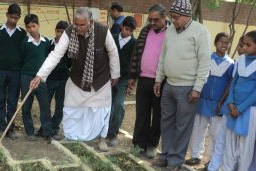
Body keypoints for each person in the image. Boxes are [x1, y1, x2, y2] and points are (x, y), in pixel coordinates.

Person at [30, 7, 120, 152]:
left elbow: (113, 52)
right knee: (70, 108)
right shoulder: (69, 32)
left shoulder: (102, 31)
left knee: (103, 110)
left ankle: (102, 138)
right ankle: (70, 134)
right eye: (75, 24)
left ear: (90, 22)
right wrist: (40, 75)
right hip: (77, 78)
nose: (78, 27)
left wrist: (115, 74)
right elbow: (56, 54)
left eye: (82, 25)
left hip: (100, 79)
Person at [152, 0, 211, 171]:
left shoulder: (200, 31)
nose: (173, 20)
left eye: (176, 17)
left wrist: (197, 88)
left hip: (188, 87)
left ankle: (176, 160)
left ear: (187, 16)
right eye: (172, 17)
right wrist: (158, 79)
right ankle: (165, 155)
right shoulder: (170, 30)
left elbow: (205, 63)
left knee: (182, 125)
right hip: (169, 84)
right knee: (167, 122)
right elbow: (163, 57)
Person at [186, 32, 234, 166]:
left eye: (227, 42)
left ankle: (213, 160)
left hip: (217, 103)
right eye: (221, 42)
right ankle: (195, 155)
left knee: (216, 133)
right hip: (202, 100)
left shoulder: (230, 64)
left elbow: (229, 84)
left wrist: (221, 102)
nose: (224, 45)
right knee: (198, 129)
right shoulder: (207, 59)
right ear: (215, 43)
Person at [128, 4, 169, 159]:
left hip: (162, 81)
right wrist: (132, 76)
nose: (152, 22)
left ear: (164, 18)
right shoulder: (145, 31)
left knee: (157, 115)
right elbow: (135, 54)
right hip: (144, 78)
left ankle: (152, 144)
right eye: (150, 19)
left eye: (156, 20)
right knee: (142, 113)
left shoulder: (171, 33)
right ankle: (139, 144)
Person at [218, 30, 256, 171]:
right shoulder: (240, 60)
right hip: (233, 107)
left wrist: (240, 108)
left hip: (249, 110)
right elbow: (234, 83)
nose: (245, 47)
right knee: (230, 140)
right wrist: (231, 102)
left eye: (249, 45)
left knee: (245, 144)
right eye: (244, 44)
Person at [205, 35, 245, 171]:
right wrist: (227, 102)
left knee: (239, 143)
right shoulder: (239, 62)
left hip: (243, 109)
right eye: (240, 45)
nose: (241, 48)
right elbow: (233, 84)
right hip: (229, 106)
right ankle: (214, 167)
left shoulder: (233, 62)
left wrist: (238, 106)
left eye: (245, 45)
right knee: (222, 138)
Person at [0, 3, 26, 139]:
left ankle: (10, 128)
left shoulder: (22, 33)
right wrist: (1, 63)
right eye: (11, 17)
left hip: (16, 72)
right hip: (1, 70)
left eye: (16, 18)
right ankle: (2, 127)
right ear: (7, 15)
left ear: (19, 18)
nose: (12, 20)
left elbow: (23, 53)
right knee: (0, 99)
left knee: (12, 100)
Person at [20, 14, 53, 142]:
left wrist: (41, 75)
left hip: (41, 78)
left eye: (34, 26)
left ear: (38, 25)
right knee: (26, 105)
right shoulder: (24, 43)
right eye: (28, 27)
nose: (31, 29)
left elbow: (47, 59)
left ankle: (47, 132)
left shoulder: (46, 42)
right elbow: (22, 59)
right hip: (26, 77)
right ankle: (29, 132)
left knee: (45, 106)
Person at [107, 16, 136, 147]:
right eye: (126, 29)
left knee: (118, 105)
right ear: (121, 26)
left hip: (124, 79)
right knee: (107, 105)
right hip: (109, 77)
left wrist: (132, 79)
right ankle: (104, 131)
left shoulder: (134, 44)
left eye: (130, 31)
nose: (127, 32)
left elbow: (135, 63)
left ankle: (113, 133)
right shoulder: (112, 39)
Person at [45, 20, 70, 139]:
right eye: (58, 31)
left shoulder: (69, 47)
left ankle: (54, 128)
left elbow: (70, 63)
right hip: (49, 79)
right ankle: (46, 127)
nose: (60, 34)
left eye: (63, 32)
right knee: (46, 103)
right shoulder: (48, 44)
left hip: (63, 80)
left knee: (60, 106)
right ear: (55, 31)